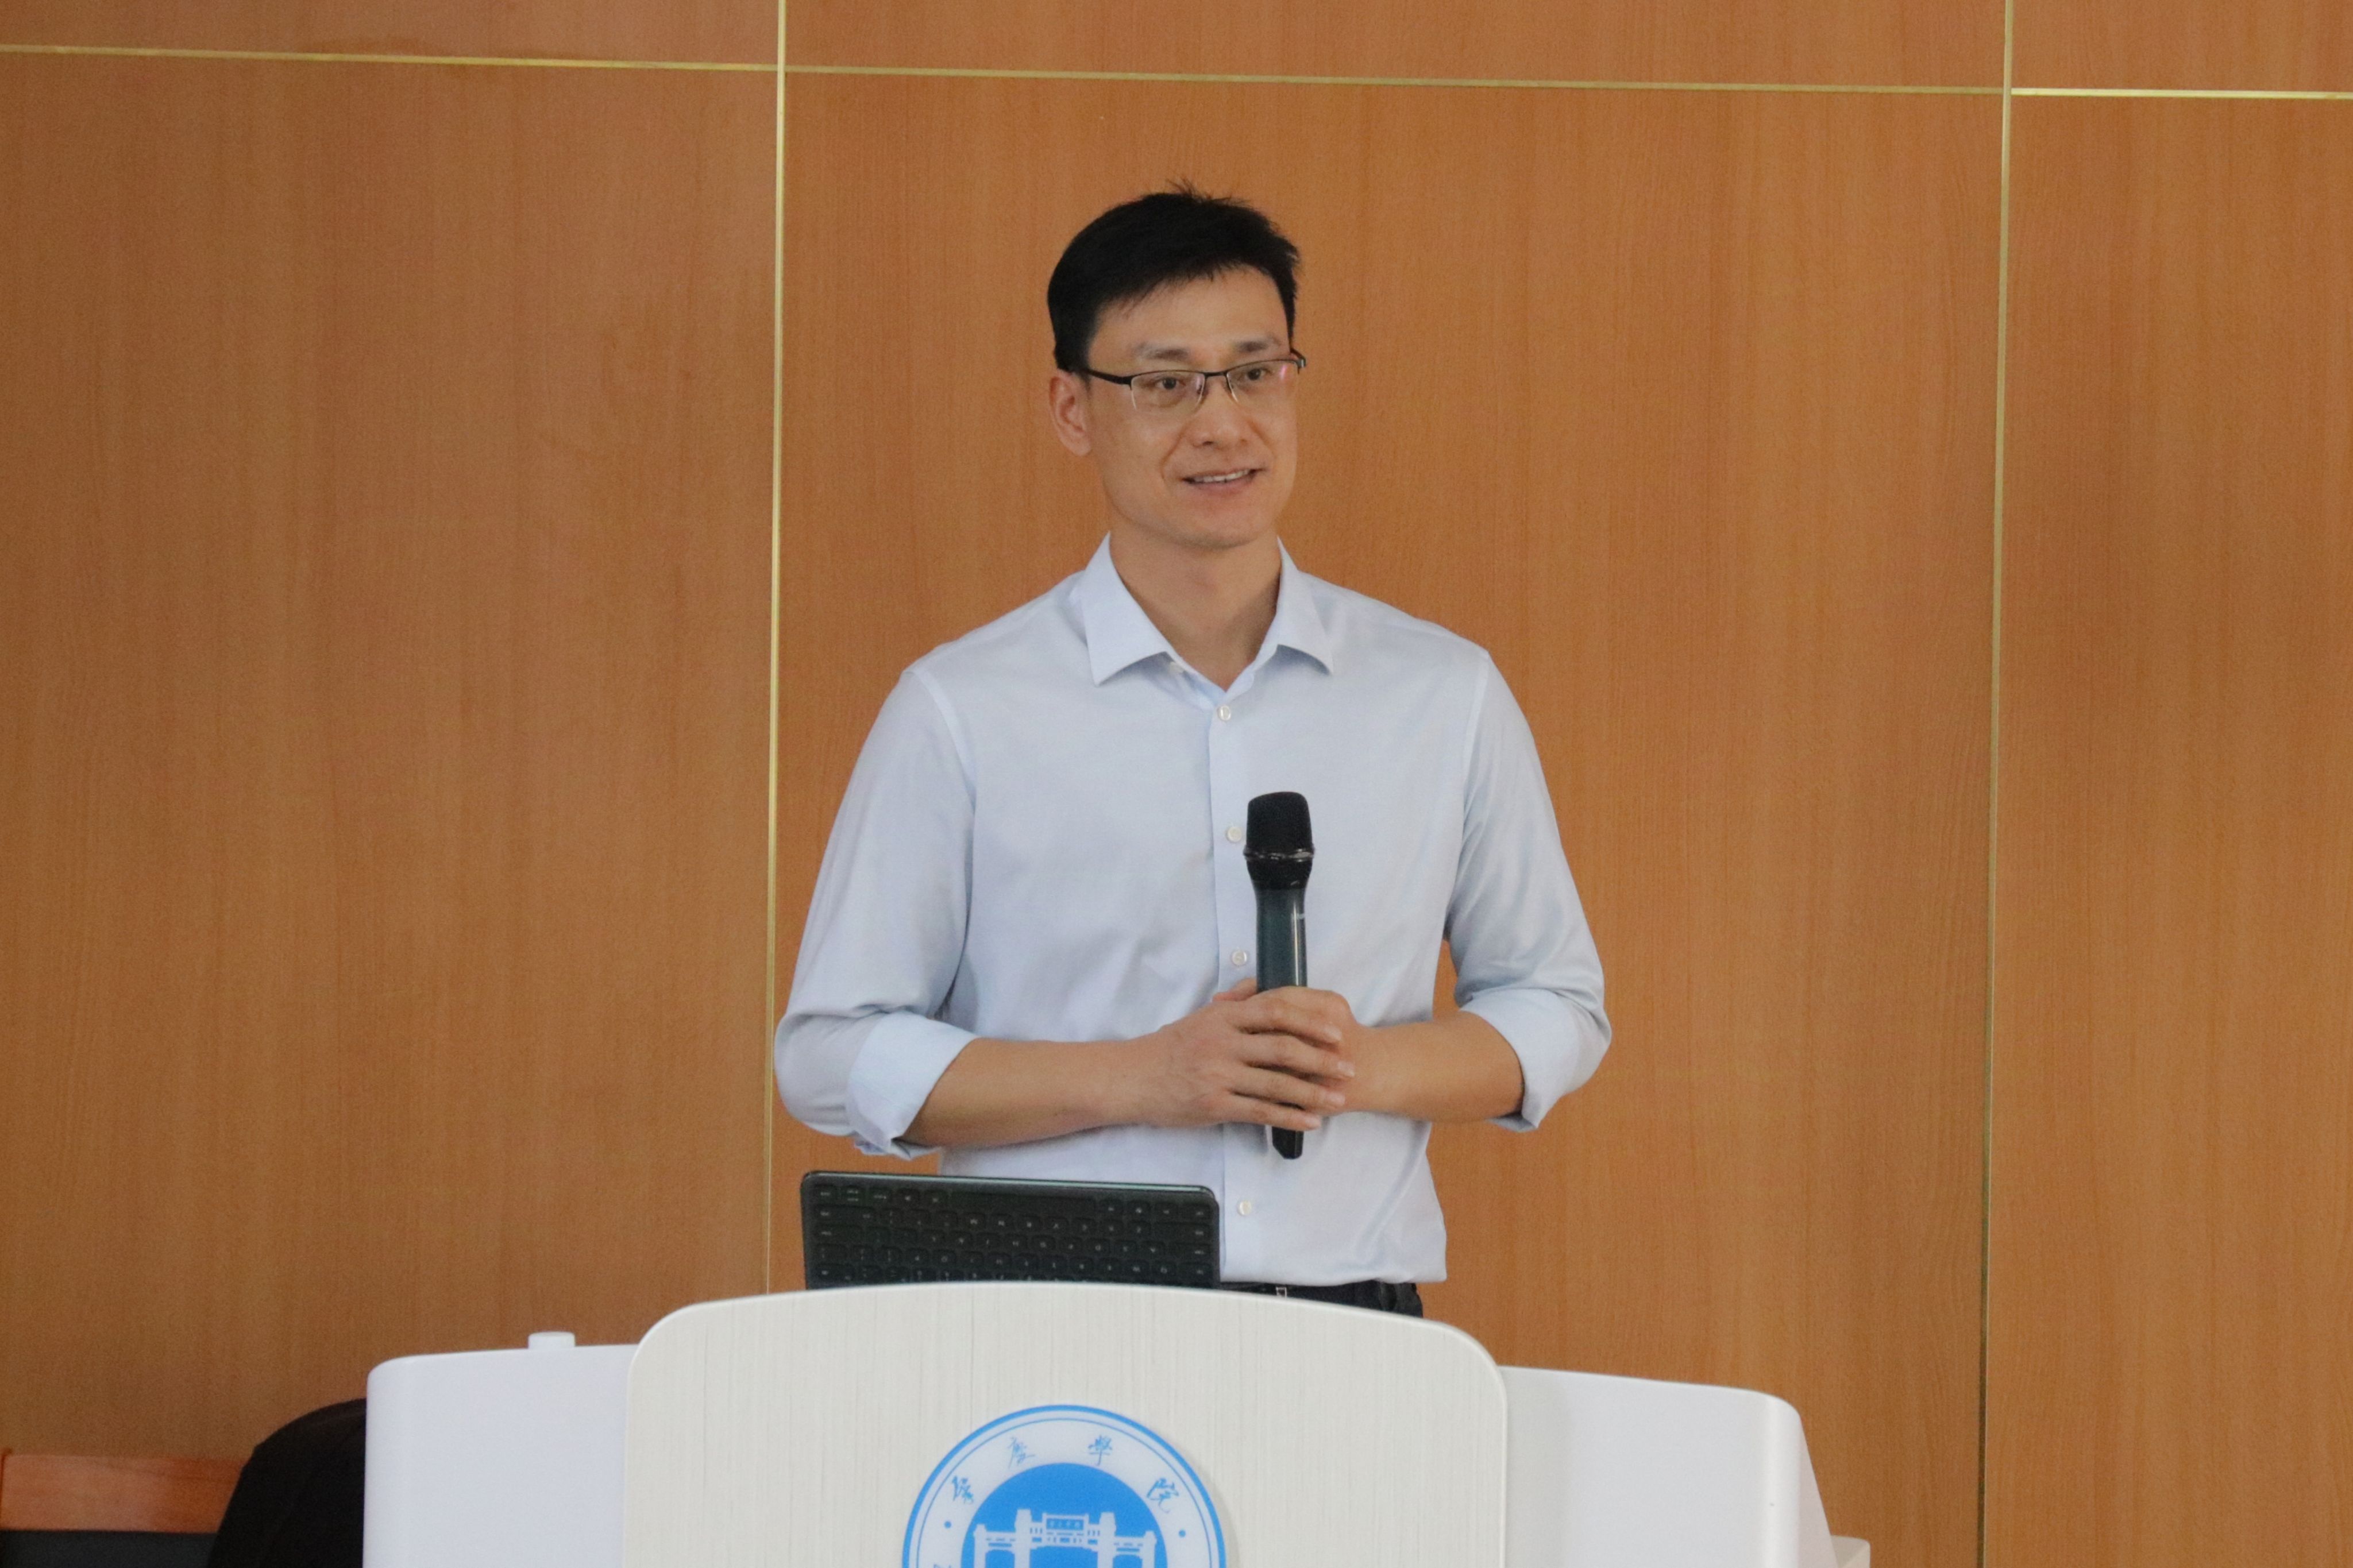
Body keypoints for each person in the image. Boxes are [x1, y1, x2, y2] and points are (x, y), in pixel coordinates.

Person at [776, 187, 1607, 1314]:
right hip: (1048, 1310)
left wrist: (1350, 1064)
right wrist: (1144, 1077)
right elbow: (829, 1054)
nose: (1222, 425)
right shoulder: (962, 708)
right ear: (1072, 408)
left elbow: (1555, 1004)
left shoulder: (1440, 691)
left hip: (1348, 1315)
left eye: (1255, 372)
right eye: (1165, 384)